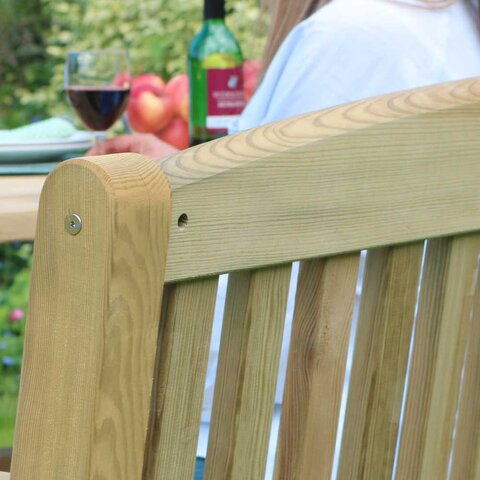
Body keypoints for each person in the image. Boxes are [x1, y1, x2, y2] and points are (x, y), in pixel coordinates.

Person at [88, 1, 480, 477]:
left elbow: (260, 289)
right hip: (415, 447)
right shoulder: (461, 32)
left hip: (268, 448)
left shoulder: (343, 38)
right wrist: (179, 171)